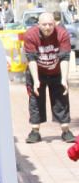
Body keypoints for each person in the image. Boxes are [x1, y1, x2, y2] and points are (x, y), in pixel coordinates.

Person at [23, 12, 74, 143]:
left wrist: (64, 78)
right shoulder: (30, 35)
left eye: (50, 24)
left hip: (56, 72)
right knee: (35, 100)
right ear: (38, 25)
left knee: (61, 98)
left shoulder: (62, 34)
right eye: (44, 24)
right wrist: (35, 80)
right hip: (37, 71)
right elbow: (31, 58)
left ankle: (66, 130)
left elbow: (64, 57)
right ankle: (35, 131)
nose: (47, 27)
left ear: (55, 24)